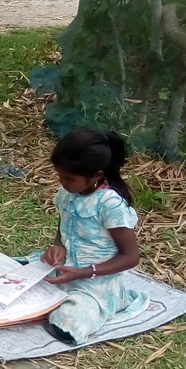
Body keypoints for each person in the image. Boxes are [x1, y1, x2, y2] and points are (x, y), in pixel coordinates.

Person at [40, 128, 147, 344]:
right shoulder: (68, 193)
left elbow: (130, 257)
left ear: (96, 176)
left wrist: (84, 272)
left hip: (96, 281)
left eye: (68, 178)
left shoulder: (109, 204)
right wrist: (58, 245)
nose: (62, 182)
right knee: (13, 283)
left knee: (68, 322)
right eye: (59, 175)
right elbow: (64, 222)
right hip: (66, 268)